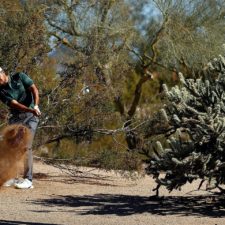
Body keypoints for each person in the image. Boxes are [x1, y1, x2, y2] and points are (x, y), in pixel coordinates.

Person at [0, 67, 41, 189]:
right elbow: (15, 104)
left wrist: (36, 106)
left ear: (3, 73)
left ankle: (28, 181)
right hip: (16, 118)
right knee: (10, 146)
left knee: (26, 147)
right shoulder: (1, 91)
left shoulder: (19, 77)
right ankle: (11, 177)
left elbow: (34, 89)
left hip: (31, 117)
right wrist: (30, 109)